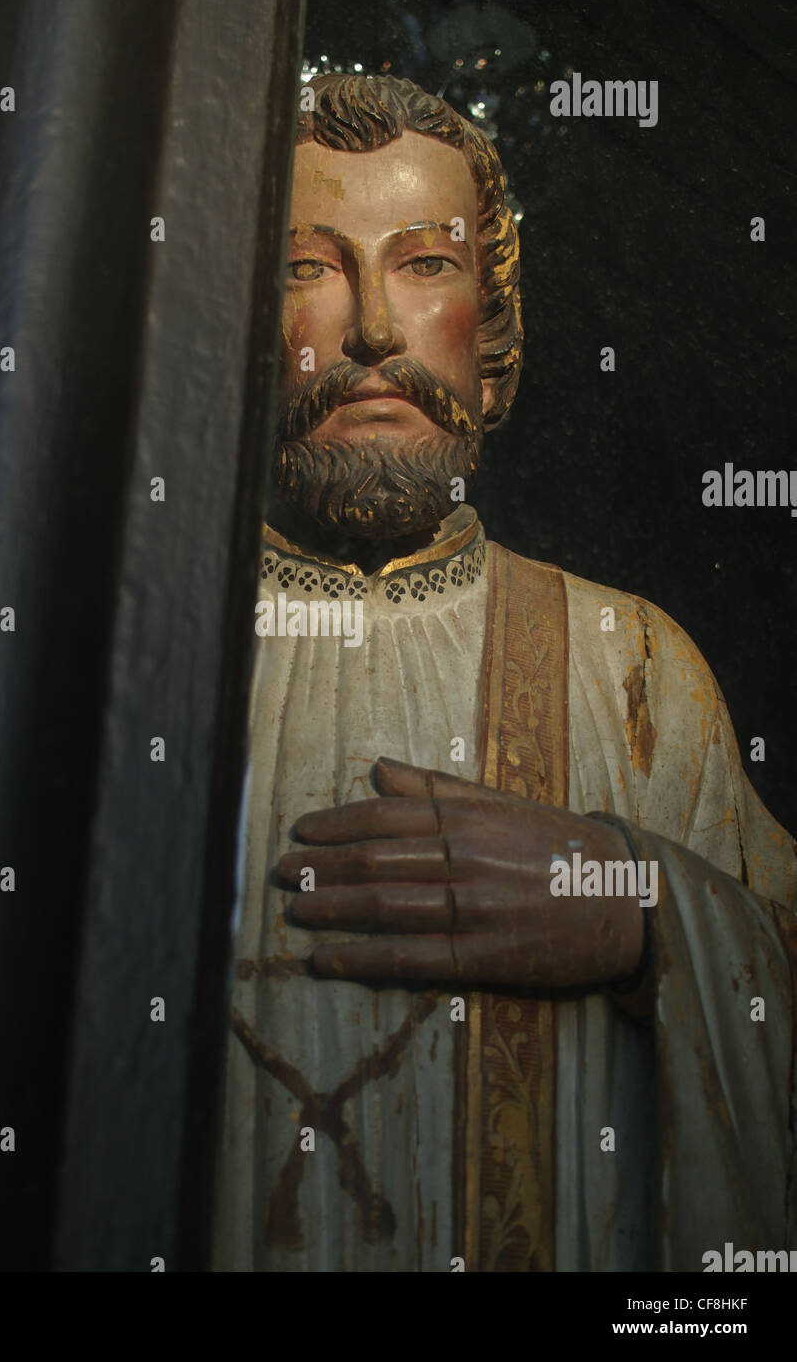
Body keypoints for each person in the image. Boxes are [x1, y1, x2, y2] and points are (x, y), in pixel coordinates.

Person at [211, 73, 797, 1272]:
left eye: (426, 264)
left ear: (493, 341)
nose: (373, 326)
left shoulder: (637, 666)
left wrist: (641, 912)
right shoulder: (132, 661)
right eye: (307, 265)